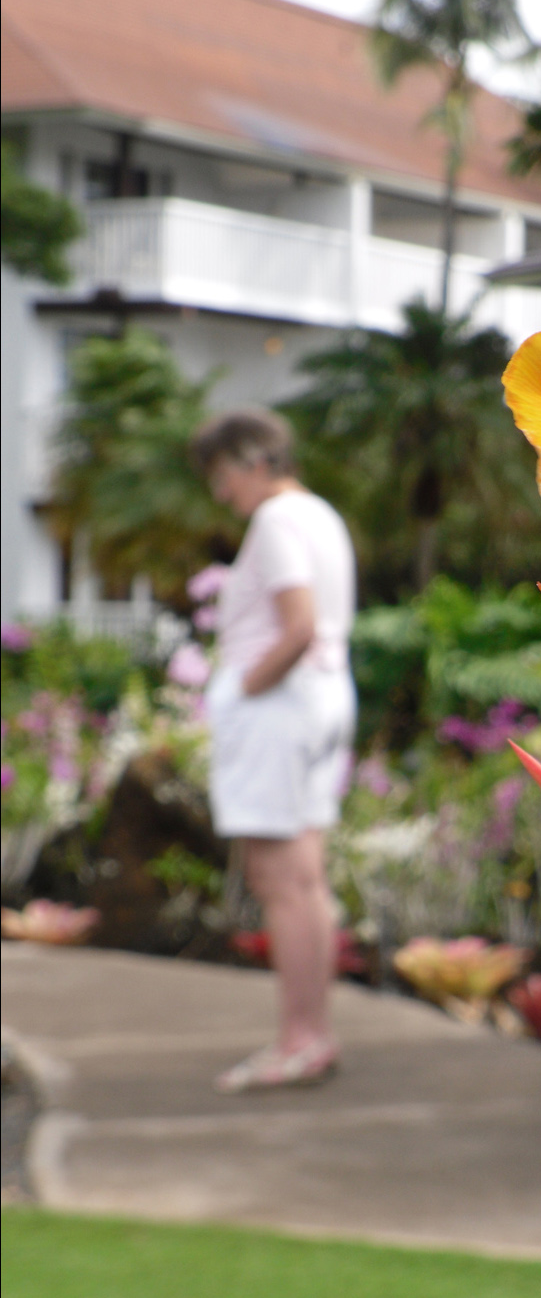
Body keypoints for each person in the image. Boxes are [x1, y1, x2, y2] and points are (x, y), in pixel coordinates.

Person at [190, 408, 356, 1093]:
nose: (220, 494)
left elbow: (297, 627)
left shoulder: (278, 521)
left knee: (278, 881)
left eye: (223, 475)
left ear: (255, 461)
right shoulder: (320, 514)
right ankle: (311, 1033)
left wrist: (242, 689)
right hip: (320, 702)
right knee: (304, 880)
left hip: (281, 711)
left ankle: (299, 1039)